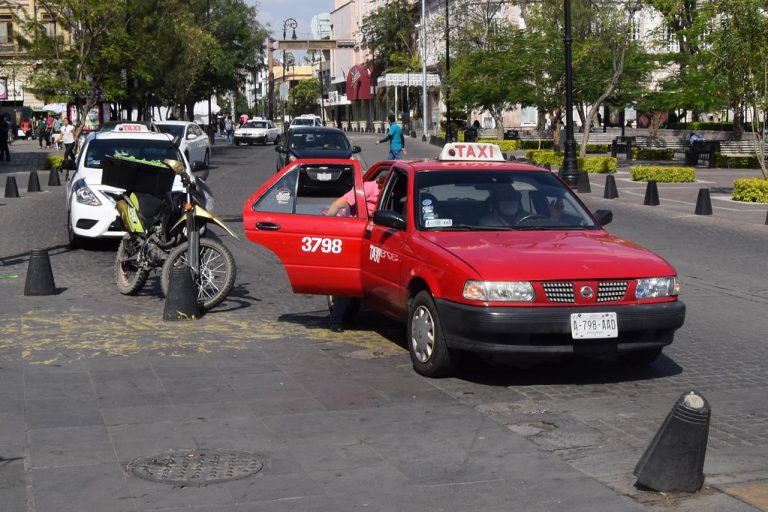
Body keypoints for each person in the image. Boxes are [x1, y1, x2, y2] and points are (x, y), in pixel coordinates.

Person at [324, 173, 388, 331]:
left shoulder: (391, 191)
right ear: (380, 185)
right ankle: (336, 319)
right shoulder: (367, 188)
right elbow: (339, 203)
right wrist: (328, 225)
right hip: (357, 237)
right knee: (350, 281)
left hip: (378, 239)